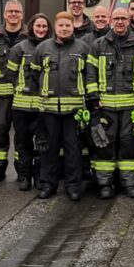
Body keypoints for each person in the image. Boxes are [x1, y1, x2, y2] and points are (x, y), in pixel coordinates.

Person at [86, 7, 134, 199]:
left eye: (123, 18)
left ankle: (128, 183)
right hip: (104, 107)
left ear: (129, 21)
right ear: (110, 21)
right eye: (116, 18)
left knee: (129, 145)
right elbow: (90, 73)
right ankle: (105, 184)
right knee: (104, 145)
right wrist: (93, 97)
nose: (120, 22)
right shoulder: (98, 45)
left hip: (130, 107)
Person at [29, 11, 90, 201]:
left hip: (74, 110)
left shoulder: (83, 48)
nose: (64, 29)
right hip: (49, 109)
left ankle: (73, 186)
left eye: (68, 25)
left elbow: (89, 76)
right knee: (49, 149)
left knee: (73, 149)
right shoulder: (42, 48)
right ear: (55, 27)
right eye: (61, 25)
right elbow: (35, 75)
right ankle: (48, 184)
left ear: (73, 27)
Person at [6, 13, 51, 191]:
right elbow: (11, 75)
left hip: (43, 106)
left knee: (42, 142)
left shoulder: (51, 47)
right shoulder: (19, 48)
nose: (41, 29)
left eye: (44, 26)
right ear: (31, 27)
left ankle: (39, 176)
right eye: (38, 26)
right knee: (22, 142)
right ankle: (24, 176)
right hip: (21, 106)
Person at [0, 0, 26, 183]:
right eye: (10, 11)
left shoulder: (28, 35)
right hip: (0, 94)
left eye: (17, 11)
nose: (14, 14)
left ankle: (22, 171)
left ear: (22, 15)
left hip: (23, 95)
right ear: (4, 14)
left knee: (22, 134)